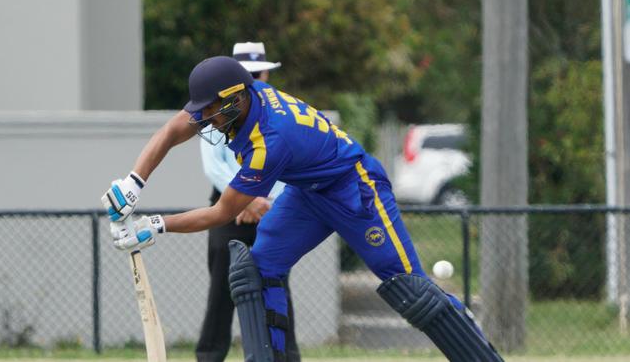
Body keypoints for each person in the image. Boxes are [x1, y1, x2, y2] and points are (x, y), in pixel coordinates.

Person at [101, 56, 504, 362]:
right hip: (308, 193)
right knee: (258, 271)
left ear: (236, 99)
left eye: (211, 110)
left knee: (410, 288)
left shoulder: (269, 142)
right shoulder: (238, 98)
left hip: (354, 189)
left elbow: (222, 213)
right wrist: (133, 183)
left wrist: (156, 226)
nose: (205, 118)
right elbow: (173, 129)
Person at [195, 42, 300, 362]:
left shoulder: (279, 113)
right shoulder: (216, 111)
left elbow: (289, 161)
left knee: (276, 287)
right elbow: (214, 166)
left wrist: (267, 200)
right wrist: (244, 200)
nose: (256, 78)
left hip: (271, 207)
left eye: (259, 72)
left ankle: (284, 356)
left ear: (266, 73)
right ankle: (209, 356)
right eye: (248, 73)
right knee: (222, 292)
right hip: (229, 209)